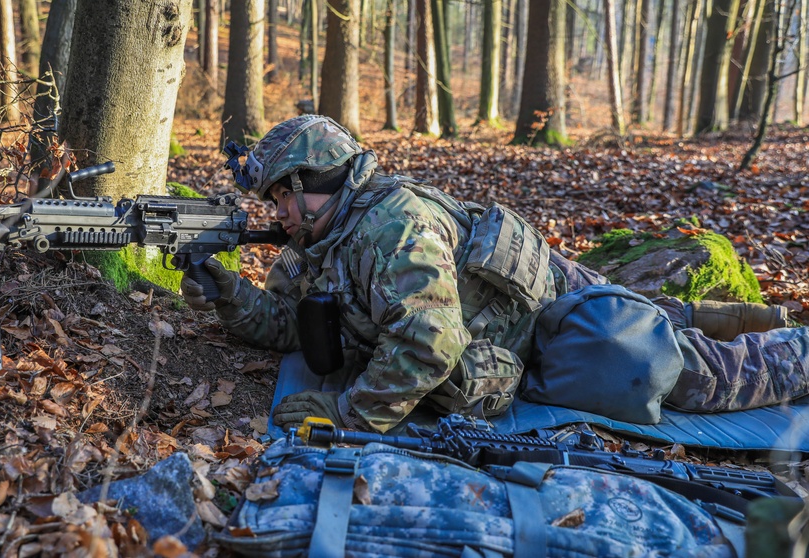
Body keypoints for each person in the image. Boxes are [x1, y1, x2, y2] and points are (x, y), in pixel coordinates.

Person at [180, 115, 805, 436]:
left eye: (282, 198)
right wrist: (232, 297)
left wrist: (348, 413)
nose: (278, 215)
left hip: (554, 326)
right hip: (508, 307)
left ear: (314, 184)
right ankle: (706, 317)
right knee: (656, 315)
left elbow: (430, 344)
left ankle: (795, 349)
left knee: (681, 372)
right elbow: (294, 325)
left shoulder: (392, 231)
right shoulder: (322, 236)